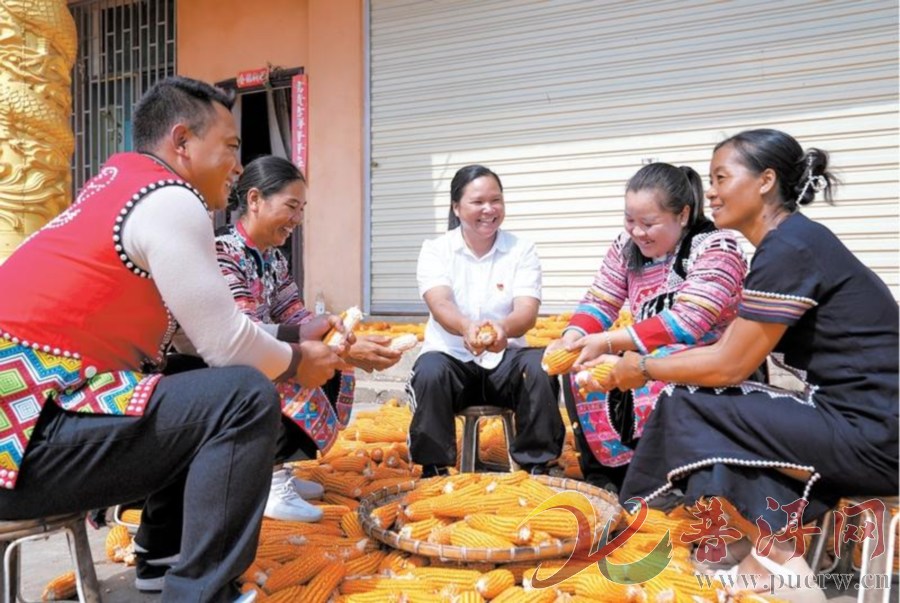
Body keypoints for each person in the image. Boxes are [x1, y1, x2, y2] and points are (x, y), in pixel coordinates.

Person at [0, 76, 347, 602]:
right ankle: (202, 593)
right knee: (241, 395)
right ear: (181, 143)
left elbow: (192, 337)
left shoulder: (121, 190)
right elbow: (228, 345)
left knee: (192, 383)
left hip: (36, 427)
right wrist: (300, 360)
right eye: (230, 147)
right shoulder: (169, 200)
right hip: (23, 442)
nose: (237, 164)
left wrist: (298, 336)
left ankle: (161, 557)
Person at [593, 129, 898, 601]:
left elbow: (729, 365)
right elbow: (730, 352)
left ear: (765, 181)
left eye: (720, 177)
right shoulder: (791, 244)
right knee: (719, 417)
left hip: (873, 434)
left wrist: (643, 370)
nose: (710, 190)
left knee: (688, 402)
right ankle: (760, 561)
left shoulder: (791, 248)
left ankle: (748, 553)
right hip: (863, 423)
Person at [214, 155, 402, 522]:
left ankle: (281, 468)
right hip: (231, 362)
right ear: (254, 200)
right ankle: (267, 479)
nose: (297, 219)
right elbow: (245, 330)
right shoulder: (224, 252)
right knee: (297, 367)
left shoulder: (273, 258)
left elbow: (294, 314)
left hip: (263, 346)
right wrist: (322, 348)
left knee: (332, 366)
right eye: (290, 207)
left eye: (302, 209)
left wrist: (340, 338)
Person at [545, 163, 747, 490]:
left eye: (648, 223)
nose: (637, 232)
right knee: (581, 369)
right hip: (647, 352)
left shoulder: (716, 248)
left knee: (654, 367)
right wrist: (573, 338)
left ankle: (668, 482)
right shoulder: (627, 248)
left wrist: (609, 342)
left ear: (682, 215)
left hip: (711, 363)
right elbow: (601, 299)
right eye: (629, 220)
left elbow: (688, 322)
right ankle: (610, 476)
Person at [407, 164, 564, 477]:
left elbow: (527, 310)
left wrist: (503, 329)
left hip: (505, 362)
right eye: (478, 202)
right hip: (452, 360)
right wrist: (466, 327)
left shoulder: (522, 250)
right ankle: (434, 467)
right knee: (429, 370)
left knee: (539, 365)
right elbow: (440, 302)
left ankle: (538, 463)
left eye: (496, 200)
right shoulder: (436, 250)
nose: (489, 209)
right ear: (456, 207)